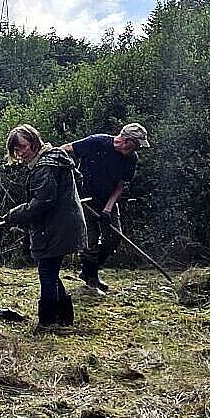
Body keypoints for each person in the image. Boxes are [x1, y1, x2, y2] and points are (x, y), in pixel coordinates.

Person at [4, 123, 85, 330]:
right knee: (49, 271)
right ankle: (64, 318)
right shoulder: (52, 159)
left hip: (56, 227)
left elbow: (43, 201)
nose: (20, 153)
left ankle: (49, 321)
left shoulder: (46, 166)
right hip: (59, 225)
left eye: (22, 147)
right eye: (15, 149)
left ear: (34, 142)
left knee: (47, 272)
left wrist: (15, 214)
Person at [62, 122, 149, 293]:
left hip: (107, 200)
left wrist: (108, 209)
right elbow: (65, 149)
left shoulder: (131, 158)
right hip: (84, 199)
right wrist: (68, 175)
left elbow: (120, 185)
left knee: (114, 239)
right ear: (126, 140)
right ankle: (91, 280)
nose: (137, 148)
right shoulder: (97, 142)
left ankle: (89, 272)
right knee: (90, 241)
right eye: (136, 144)